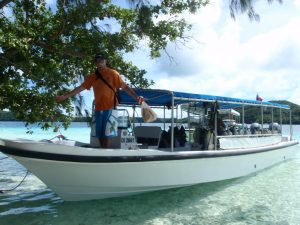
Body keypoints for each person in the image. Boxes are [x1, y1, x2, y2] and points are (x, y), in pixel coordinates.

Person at [56, 54, 144, 148]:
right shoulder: (92, 76)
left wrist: (136, 97)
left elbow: (125, 87)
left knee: (107, 134)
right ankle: (102, 151)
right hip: (98, 108)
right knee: (99, 134)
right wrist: (65, 96)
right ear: (95, 63)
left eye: (101, 60)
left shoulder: (113, 73)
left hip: (110, 107)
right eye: (97, 61)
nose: (99, 63)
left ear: (105, 61)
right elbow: (80, 88)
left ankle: (105, 154)